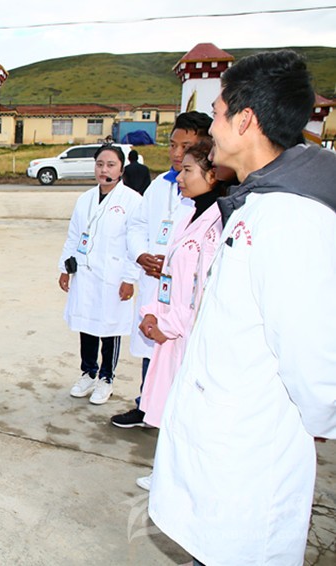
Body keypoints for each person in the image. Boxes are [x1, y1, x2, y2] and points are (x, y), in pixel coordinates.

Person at [149, 50, 336, 566]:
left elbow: (314, 361)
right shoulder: (258, 203)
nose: (210, 127)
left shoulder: (293, 220)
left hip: (252, 456)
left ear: (245, 120)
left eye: (217, 113)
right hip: (226, 448)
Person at [132, 140, 228, 491]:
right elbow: (171, 276)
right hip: (170, 329)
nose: (180, 177)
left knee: (191, 413)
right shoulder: (190, 214)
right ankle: (168, 473)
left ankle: (182, 481)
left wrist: (168, 324)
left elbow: (203, 292)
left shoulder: (218, 225)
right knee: (173, 408)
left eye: (188, 170)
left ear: (212, 175)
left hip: (189, 334)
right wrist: (152, 313)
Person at [111, 112, 212, 429]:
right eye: (172, 145)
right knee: (151, 346)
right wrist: (142, 255)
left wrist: (170, 262)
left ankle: (175, 414)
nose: (176, 153)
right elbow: (137, 225)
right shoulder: (159, 186)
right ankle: (146, 405)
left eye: (186, 147)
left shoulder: (212, 198)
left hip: (185, 293)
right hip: (156, 285)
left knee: (180, 352)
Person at [57, 145, 141, 405]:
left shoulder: (132, 201)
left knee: (110, 327)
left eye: (111, 165)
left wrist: (130, 278)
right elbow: (74, 235)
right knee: (87, 324)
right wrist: (64, 268)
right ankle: (88, 372)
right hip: (85, 273)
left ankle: (106, 378)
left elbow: (136, 243)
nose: (104, 170)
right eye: (100, 164)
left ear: (121, 169)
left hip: (114, 276)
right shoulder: (85, 199)